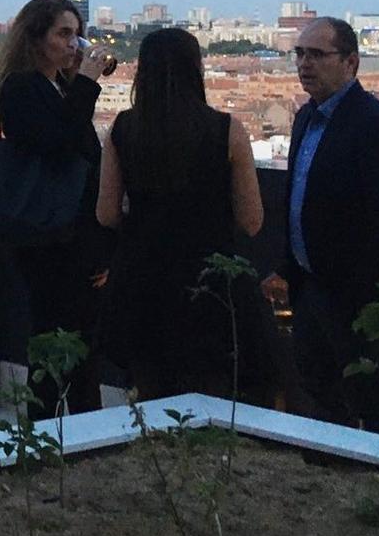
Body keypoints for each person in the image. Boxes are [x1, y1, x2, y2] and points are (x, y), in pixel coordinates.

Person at [262, 17, 379, 436]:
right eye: (299, 54)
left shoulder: (377, 127)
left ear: (351, 62)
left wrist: (365, 294)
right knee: (322, 394)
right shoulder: (304, 120)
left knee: (377, 401)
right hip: (312, 290)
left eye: (317, 54)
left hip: (356, 297)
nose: (304, 64)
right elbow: (300, 200)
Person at [97, 27, 268, 400]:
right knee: (214, 391)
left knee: (152, 389)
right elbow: (252, 220)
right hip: (210, 282)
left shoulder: (122, 129)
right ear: (197, 70)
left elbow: (106, 213)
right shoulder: (228, 131)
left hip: (142, 279)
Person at [0, 0, 116, 417]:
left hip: (67, 236)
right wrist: (88, 83)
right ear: (35, 38)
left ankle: (68, 431)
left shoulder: (53, 86)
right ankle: (56, 432)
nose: (73, 43)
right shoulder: (23, 89)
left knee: (76, 344)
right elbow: (59, 145)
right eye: (63, 34)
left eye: (77, 34)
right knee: (59, 342)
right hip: (50, 240)